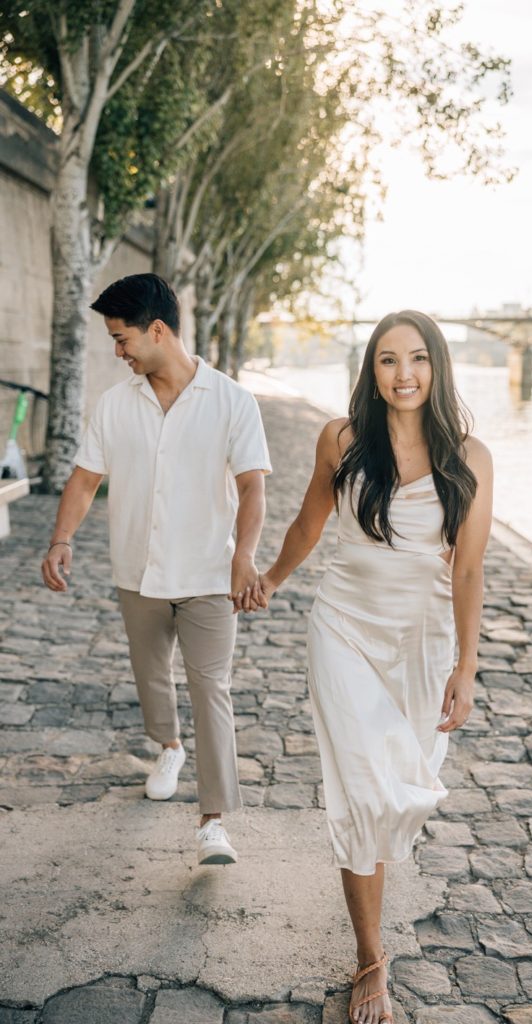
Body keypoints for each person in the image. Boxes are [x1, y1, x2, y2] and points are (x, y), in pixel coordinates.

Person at [250, 310, 492, 1024]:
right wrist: (271, 578)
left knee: (394, 793)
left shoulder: (470, 457)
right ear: (371, 370)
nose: (403, 374)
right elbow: (309, 522)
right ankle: (369, 959)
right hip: (343, 629)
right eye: (388, 360)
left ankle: (372, 921)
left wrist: (467, 666)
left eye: (417, 358)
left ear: (437, 366)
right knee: (359, 792)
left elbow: (468, 568)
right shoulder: (342, 439)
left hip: (421, 642)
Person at [41, 273, 271, 865]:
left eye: (122, 339)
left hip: (209, 574)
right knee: (151, 677)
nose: (118, 351)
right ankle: (169, 746)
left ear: (159, 330)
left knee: (211, 690)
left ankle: (213, 821)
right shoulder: (115, 404)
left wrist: (243, 557)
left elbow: (252, 488)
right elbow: (85, 480)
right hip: (136, 570)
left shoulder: (232, 401)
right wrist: (62, 538)